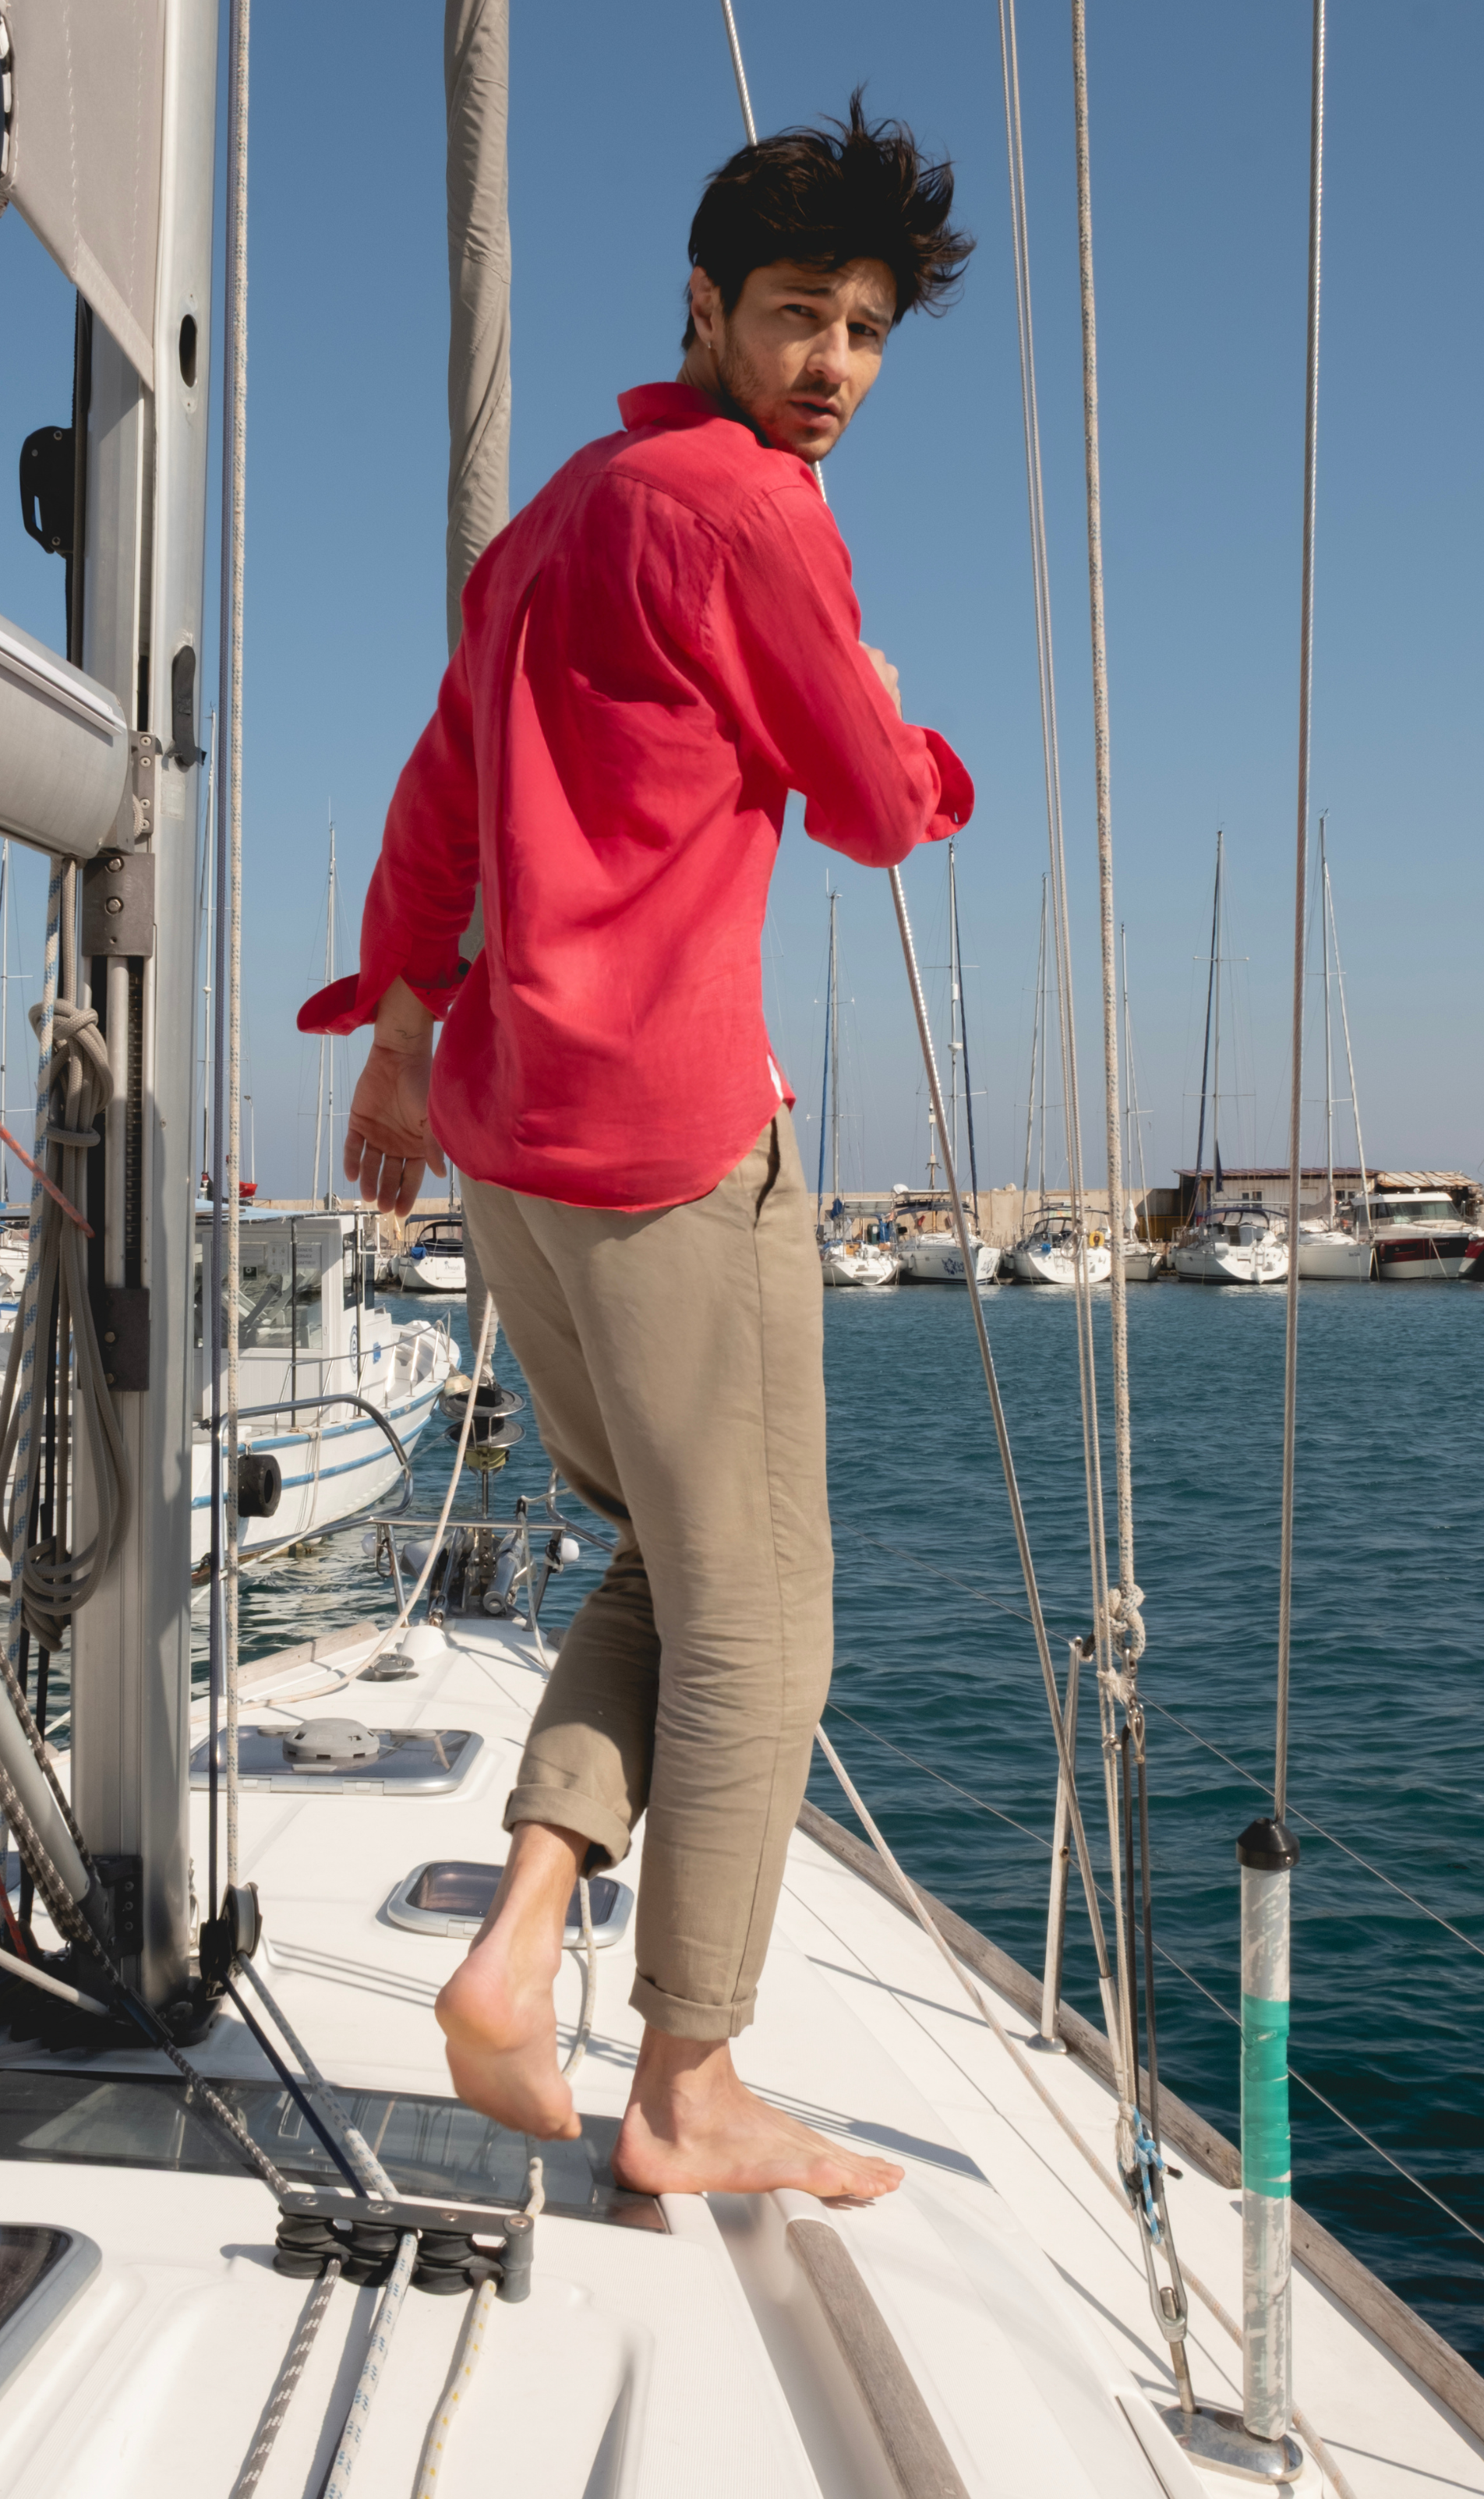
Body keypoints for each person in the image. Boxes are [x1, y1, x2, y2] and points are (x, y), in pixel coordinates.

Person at [300, 97, 973, 2200]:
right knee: (763, 1607)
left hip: (505, 1129)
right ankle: (687, 2085)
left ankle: (514, 1962)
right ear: (703, 306)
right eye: (796, 315)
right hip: (671, 1136)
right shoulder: (746, 510)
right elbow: (868, 799)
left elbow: (432, 806)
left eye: (862, 329)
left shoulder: (557, 517)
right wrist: (906, 723)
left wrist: (400, 1037)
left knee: (657, 1567)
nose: (832, 368)